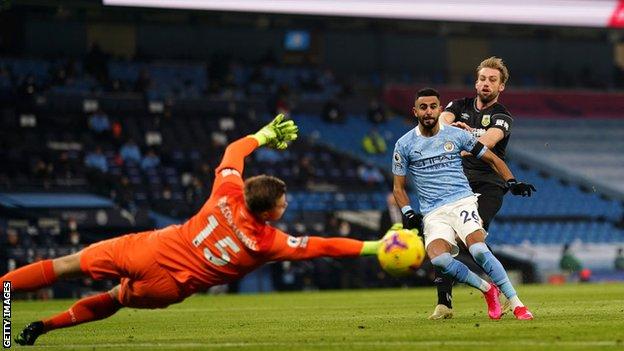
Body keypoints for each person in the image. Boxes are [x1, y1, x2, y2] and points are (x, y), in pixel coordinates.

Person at [3, 115, 383, 345]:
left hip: (151, 249)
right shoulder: (267, 242)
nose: (286, 206)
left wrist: (266, 135)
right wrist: (374, 246)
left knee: (68, 264)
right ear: (268, 212)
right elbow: (325, 246)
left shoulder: (228, 191)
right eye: (283, 203)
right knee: (116, 299)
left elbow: (235, 149)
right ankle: (42, 326)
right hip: (167, 288)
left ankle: (4, 304)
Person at [392, 88, 535, 321]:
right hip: (433, 212)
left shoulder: (456, 135)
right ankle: (488, 289)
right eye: (423, 107)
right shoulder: (404, 144)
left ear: (439, 109)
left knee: (478, 249)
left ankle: (518, 304)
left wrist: (511, 181)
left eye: (432, 107)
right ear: (415, 111)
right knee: (439, 260)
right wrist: (408, 212)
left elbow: (492, 157)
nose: (428, 111)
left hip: (462, 201)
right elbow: (398, 187)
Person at [422, 57, 517, 320]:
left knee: (469, 240)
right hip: (456, 184)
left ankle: (503, 292)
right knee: (443, 238)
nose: (487, 84)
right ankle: (445, 304)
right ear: (476, 82)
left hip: (489, 184)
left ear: (501, 87)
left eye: (493, 80)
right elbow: (439, 124)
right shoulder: (458, 106)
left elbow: (486, 143)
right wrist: (450, 129)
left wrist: (464, 135)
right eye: (483, 79)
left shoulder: (502, 116)